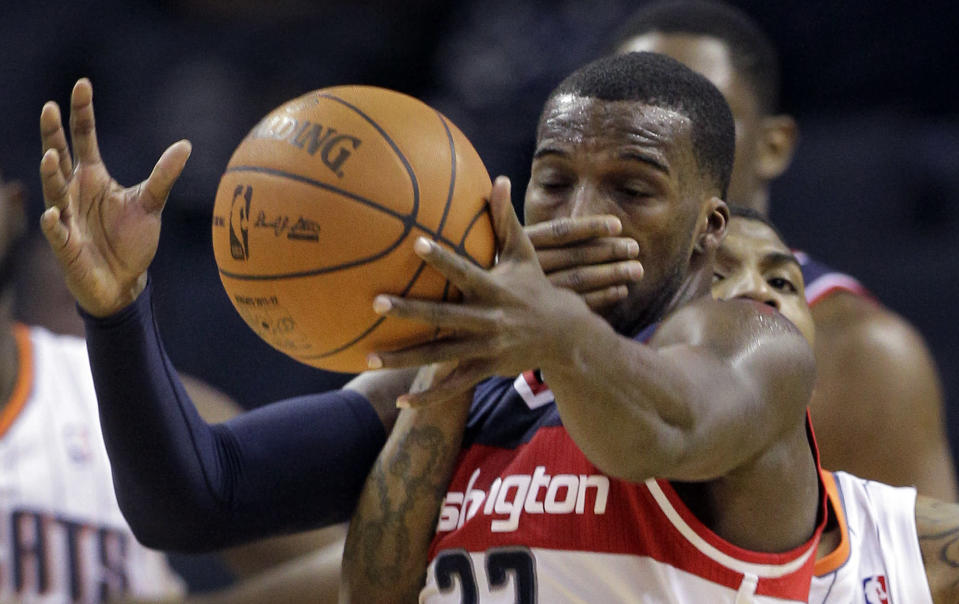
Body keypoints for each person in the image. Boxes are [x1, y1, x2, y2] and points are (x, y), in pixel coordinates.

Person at [340, 51, 828, 602]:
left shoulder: (758, 347)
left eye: (633, 190)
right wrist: (455, 349)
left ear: (707, 227)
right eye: (554, 182)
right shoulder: (477, 388)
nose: (579, 217)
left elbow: (656, 440)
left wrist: (558, 330)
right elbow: (369, 597)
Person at [613, 0, 956, 502]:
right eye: (636, 121)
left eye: (706, 119)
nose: (663, 146)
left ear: (773, 145)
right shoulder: (551, 319)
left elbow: (923, 576)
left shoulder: (862, 356)